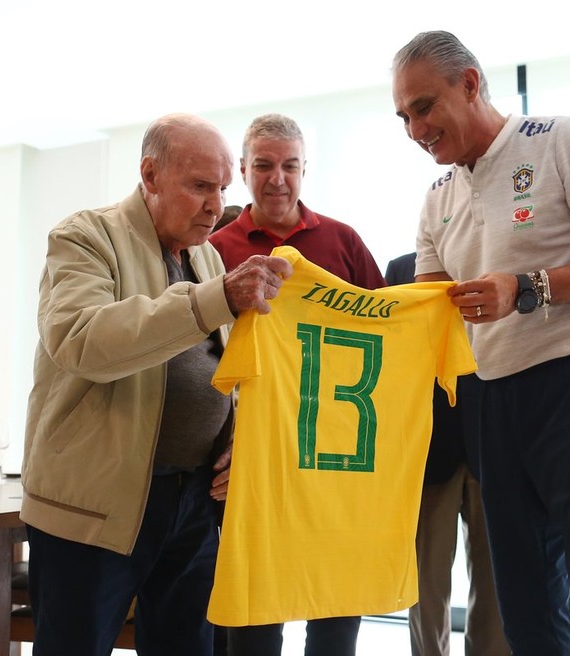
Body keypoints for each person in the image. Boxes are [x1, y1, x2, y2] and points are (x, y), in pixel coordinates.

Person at [392, 31, 570, 656]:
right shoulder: (437, 198)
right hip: (492, 403)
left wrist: (529, 287)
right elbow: (430, 311)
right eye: (404, 117)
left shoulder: (561, 139)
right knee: (527, 619)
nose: (414, 129)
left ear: (469, 84)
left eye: (425, 107)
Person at [21, 113, 292, 656]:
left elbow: (222, 369)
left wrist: (236, 433)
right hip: (97, 507)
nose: (215, 205)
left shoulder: (206, 254)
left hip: (192, 500)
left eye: (221, 188)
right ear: (150, 174)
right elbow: (82, 340)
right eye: (199, 186)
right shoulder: (83, 236)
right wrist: (214, 298)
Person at [209, 113, 385, 656]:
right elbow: (198, 356)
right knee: (254, 614)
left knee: (334, 608)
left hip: (331, 452)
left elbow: (383, 331)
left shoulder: (342, 241)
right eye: (263, 165)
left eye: (289, 166)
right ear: (242, 170)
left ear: (305, 170)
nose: (277, 178)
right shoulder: (214, 250)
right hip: (248, 454)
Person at [385, 252, 508, 656]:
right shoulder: (401, 270)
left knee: (496, 579)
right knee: (425, 579)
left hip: (494, 444)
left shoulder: (505, 264)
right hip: (427, 448)